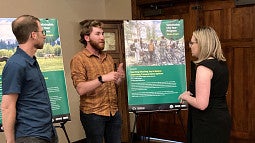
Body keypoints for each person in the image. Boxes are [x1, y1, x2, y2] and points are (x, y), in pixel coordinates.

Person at [1, 15, 58, 143]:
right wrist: (10, 141)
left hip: (46, 133)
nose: (44, 35)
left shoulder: (31, 61)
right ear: (33, 35)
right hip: (30, 136)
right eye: (42, 32)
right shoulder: (15, 65)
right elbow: (7, 107)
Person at [70, 20, 125, 143]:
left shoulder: (108, 58)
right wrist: (102, 78)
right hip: (93, 114)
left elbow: (116, 84)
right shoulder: (79, 59)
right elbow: (80, 89)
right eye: (98, 34)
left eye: (103, 34)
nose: (102, 37)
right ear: (87, 37)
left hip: (113, 112)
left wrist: (119, 77)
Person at [178, 26, 231, 143]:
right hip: (221, 119)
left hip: (208, 123)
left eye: (192, 42)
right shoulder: (221, 64)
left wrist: (186, 97)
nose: (190, 46)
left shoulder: (203, 68)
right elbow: (218, 91)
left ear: (202, 44)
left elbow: (202, 104)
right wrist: (192, 93)